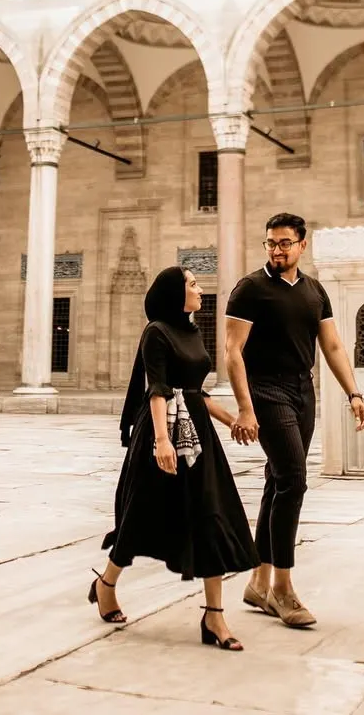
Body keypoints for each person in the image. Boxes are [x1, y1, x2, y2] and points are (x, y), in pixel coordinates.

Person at [91, 265, 258, 651]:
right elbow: (158, 390)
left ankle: (214, 615)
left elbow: (195, 392)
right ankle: (106, 584)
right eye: (193, 284)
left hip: (198, 437)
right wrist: (162, 441)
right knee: (140, 517)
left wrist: (233, 419)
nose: (200, 290)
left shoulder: (193, 332)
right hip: (162, 434)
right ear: (174, 293)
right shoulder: (157, 333)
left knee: (211, 515)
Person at [225, 212, 364, 629]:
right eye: (271, 243)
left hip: (302, 391)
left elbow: (333, 345)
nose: (277, 250)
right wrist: (245, 407)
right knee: (293, 479)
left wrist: (353, 392)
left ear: (302, 245)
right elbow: (233, 352)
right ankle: (282, 590)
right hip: (265, 390)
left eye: (285, 243)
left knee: (278, 480)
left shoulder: (314, 292)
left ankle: (258, 580)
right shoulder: (249, 289)